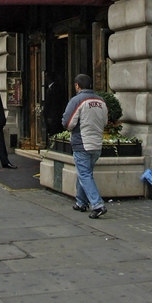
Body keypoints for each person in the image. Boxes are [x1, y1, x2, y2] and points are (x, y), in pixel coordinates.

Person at [61, 73, 108, 219]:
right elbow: (105, 121)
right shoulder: (101, 100)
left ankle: (97, 204)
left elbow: (67, 123)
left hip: (82, 143)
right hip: (97, 144)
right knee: (86, 173)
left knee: (84, 174)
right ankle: (81, 202)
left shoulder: (77, 100)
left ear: (77, 85)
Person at [43, 71, 67, 139]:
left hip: (54, 116)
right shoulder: (49, 88)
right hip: (51, 116)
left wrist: (50, 116)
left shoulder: (55, 89)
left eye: (45, 77)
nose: (44, 79)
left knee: (53, 131)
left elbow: (54, 104)